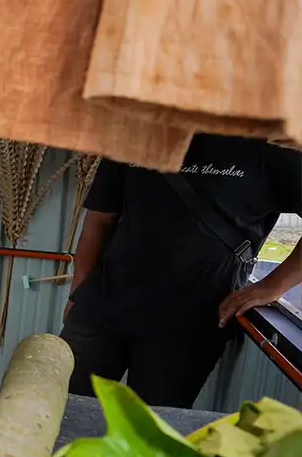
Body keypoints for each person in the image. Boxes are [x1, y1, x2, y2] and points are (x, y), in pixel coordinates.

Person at [64, 134, 302, 407]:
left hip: (188, 328)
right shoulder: (134, 136)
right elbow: (99, 222)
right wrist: (78, 293)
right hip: (99, 310)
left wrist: (273, 286)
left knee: (154, 430)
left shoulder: (271, 147)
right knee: (60, 408)